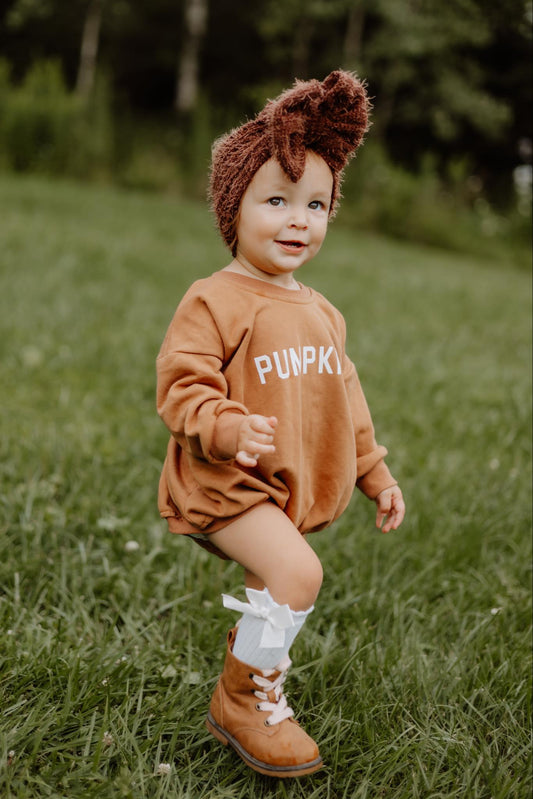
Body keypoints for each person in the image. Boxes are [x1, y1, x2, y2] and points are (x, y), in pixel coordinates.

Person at [156, 70, 405, 779]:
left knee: (286, 576)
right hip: (222, 483)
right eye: (277, 200)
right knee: (298, 570)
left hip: (279, 489)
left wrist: (373, 469)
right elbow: (180, 385)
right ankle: (241, 700)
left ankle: (253, 666)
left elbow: (344, 400)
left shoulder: (323, 312)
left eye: (315, 204)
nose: (299, 219)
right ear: (234, 207)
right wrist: (224, 428)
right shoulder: (214, 299)